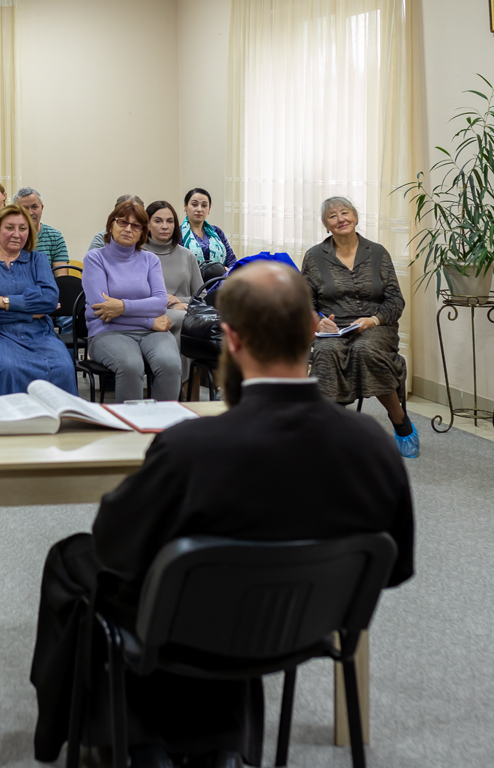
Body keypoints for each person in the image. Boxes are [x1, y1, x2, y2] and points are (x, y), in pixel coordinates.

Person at [30, 261, 416, 768]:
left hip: (190, 627)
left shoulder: (190, 448)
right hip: (306, 626)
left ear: (230, 339)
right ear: (312, 330)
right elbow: (394, 566)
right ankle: (217, 740)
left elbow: (115, 545)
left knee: (73, 560)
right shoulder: (371, 445)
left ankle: (119, 735)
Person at [302, 196, 418, 458]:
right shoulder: (314, 257)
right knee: (327, 352)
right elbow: (304, 301)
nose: (340, 219)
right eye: (332, 216)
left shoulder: (377, 252)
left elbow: (395, 300)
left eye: (345, 213)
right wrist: (318, 320)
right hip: (333, 329)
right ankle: (333, 430)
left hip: (375, 326)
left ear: (355, 217)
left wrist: (373, 320)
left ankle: (400, 421)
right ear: (325, 225)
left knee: (364, 351)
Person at [0, 205, 77, 397]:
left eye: (23, 228)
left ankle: (57, 416)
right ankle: (10, 417)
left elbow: (49, 300)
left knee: (62, 367)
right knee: (9, 368)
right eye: (10, 228)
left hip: (40, 334)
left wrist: (4, 301)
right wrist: (32, 313)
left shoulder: (38, 259)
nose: (17, 234)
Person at [82, 201, 182, 402]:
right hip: (107, 332)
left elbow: (160, 303)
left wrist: (122, 307)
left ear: (142, 232)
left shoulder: (150, 260)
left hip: (151, 334)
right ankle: (131, 421)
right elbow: (101, 310)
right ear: (111, 224)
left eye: (136, 225)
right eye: (122, 222)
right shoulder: (95, 258)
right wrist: (149, 321)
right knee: (130, 366)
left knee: (170, 365)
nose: (128, 229)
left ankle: (164, 420)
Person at [145, 200, 203, 382]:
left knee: (192, 322)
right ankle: (180, 384)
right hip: (149, 314)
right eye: (158, 221)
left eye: (170, 221)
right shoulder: (138, 254)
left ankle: (186, 384)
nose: (165, 226)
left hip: (182, 311)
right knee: (185, 320)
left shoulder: (187, 255)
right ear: (147, 224)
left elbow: (201, 296)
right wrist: (165, 303)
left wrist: (179, 300)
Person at [180, 187, 237, 277]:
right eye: (194, 204)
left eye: (204, 205)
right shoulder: (178, 234)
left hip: (221, 280)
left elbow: (231, 259)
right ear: (185, 206)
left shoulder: (216, 232)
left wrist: (229, 272)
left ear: (209, 209)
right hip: (192, 283)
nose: (199, 209)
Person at [14, 187, 70, 276]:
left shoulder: (55, 237)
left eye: (34, 207)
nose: (30, 213)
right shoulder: (10, 237)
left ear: (42, 208)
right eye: (24, 208)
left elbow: (62, 278)